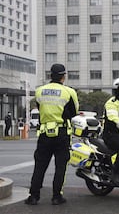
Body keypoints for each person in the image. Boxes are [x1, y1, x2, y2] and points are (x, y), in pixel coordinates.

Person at [25, 63, 79, 205]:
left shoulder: (39, 91)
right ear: (63, 76)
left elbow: (39, 107)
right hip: (62, 133)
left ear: (50, 75)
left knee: (40, 166)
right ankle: (56, 196)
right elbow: (73, 112)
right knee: (60, 166)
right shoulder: (69, 92)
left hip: (44, 133)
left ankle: (33, 196)